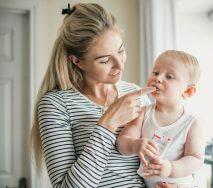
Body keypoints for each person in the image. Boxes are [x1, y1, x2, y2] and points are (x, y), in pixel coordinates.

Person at [30, 3, 156, 187]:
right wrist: (109, 123)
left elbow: (156, 159)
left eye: (120, 50)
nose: (120, 65)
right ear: (77, 61)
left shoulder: (135, 93)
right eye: (105, 60)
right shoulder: (55, 104)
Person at [116, 50, 205, 188]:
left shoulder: (192, 123)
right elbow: (122, 143)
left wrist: (170, 168)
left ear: (188, 91)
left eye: (169, 76)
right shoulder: (143, 113)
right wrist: (134, 145)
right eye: (156, 72)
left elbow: (195, 159)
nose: (158, 78)